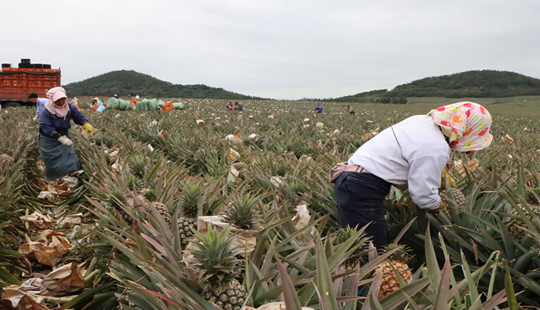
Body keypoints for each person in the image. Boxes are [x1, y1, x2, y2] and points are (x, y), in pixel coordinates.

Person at [332, 102, 493, 249]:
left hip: (351, 181)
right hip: (362, 188)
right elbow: (423, 196)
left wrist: (442, 176)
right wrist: (444, 212)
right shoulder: (435, 147)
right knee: (372, 253)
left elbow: (412, 153)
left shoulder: (421, 121)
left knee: (353, 247)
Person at [38, 87, 98, 181]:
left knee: (69, 159)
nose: (61, 102)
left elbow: (78, 116)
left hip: (64, 135)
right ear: (53, 100)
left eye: (63, 99)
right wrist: (60, 138)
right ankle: (54, 181)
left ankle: (72, 179)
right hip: (49, 139)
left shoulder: (69, 107)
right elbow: (46, 127)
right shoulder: (46, 111)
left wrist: (86, 125)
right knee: (52, 162)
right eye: (58, 100)